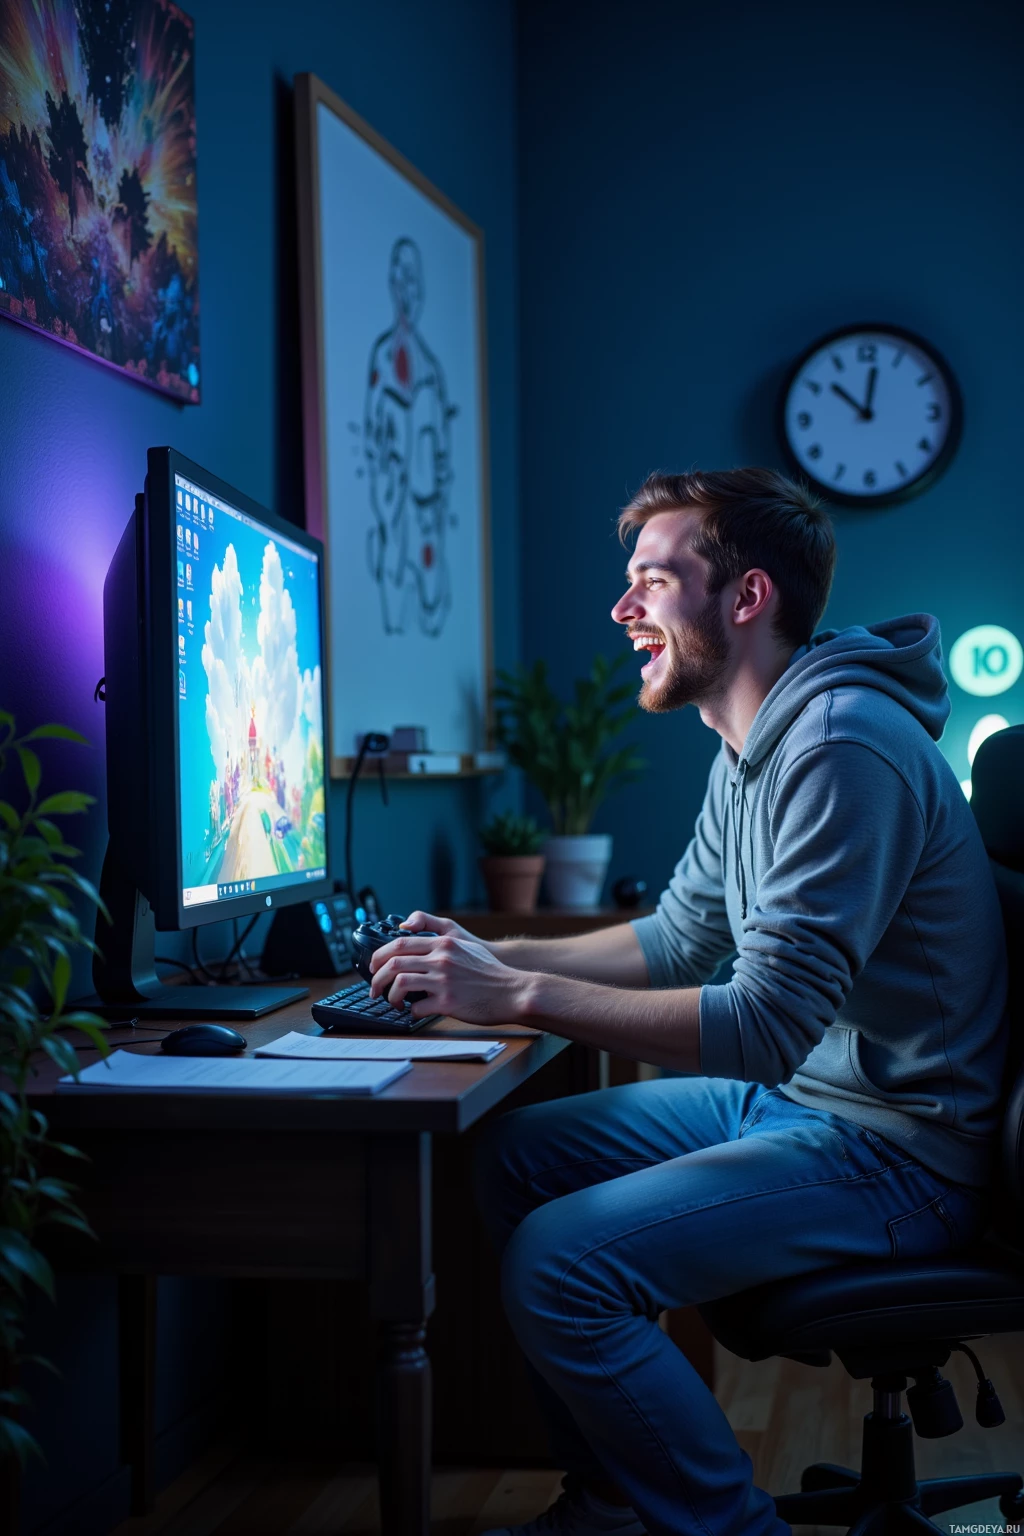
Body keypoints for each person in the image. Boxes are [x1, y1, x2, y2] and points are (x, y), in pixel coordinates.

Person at [367, 469, 1008, 1536]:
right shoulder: (748, 739)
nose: (623, 610)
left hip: (899, 1152)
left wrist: (514, 990)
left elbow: (759, 1027)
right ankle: (616, 1500)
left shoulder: (841, 744)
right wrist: (487, 956)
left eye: (653, 581)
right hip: (810, 1108)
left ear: (745, 599)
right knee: (514, 1160)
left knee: (561, 1264)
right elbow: (682, 937)